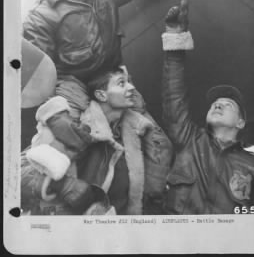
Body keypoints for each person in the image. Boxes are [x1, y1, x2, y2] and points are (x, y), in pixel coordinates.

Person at [23, 0, 197, 119]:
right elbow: (40, 79)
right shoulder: (39, 18)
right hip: (74, 87)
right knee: (77, 133)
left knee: (152, 136)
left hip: (112, 76)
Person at [160, 0, 254, 214]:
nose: (218, 104)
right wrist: (175, 36)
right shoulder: (188, 140)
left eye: (228, 104)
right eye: (215, 103)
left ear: (240, 122)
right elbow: (174, 95)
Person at [21, 66, 170, 215]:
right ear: (101, 95)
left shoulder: (136, 135)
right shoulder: (73, 127)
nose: (132, 88)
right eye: (121, 83)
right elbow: (20, 173)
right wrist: (65, 186)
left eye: (130, 82)